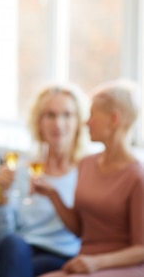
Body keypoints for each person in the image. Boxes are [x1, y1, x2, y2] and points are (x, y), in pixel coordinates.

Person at [35, 79, 144, 277]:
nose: (86, 122)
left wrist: (97, 262)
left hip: (119, 267)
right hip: (84, 262)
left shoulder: (137, 177)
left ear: (114, 119)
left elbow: (141, 248)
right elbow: (79, 229)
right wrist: (54, 196)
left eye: (93, 115)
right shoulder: (86, 164)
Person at [0, 82, 89, 277]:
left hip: (61, 254)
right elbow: (4, 235)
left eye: (67, 115)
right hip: (19, 249)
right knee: (13, 244)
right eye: (50, 115)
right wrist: (3, 196)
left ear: (79, 122)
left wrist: (54, 196)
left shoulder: (86, 171)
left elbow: (84, 231)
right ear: (38, 122)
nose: (58, 123)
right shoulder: (22, 171)